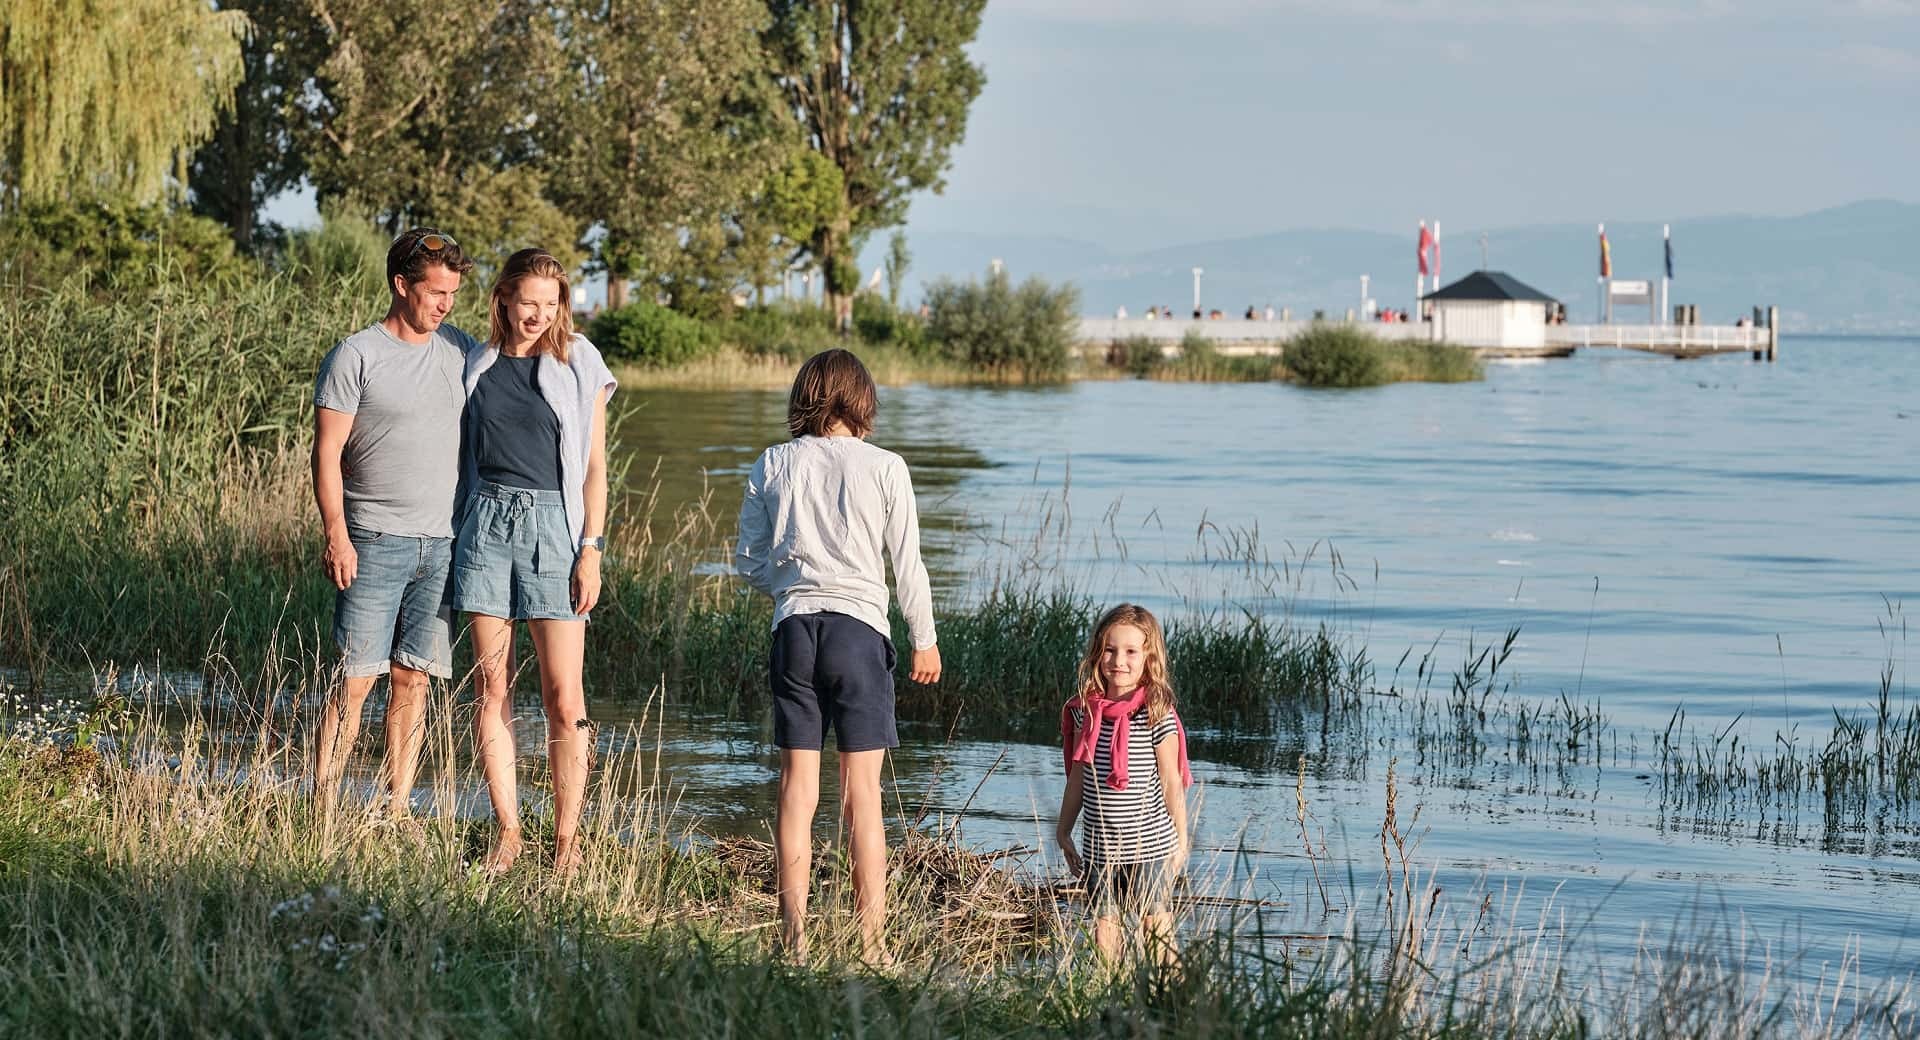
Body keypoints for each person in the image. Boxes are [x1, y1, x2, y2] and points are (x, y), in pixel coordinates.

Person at [734, 349, 942, 962]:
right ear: (864, 400)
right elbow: (907, 562)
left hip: (794, 631)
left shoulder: (773, 461)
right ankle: (871, 942)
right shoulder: (886, 467)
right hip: (859, 633)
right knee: (862, 794)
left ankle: (792, 936)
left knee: (798, 789)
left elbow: (747, 561)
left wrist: (793, 588)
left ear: (804, 396)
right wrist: (923, 637)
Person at [456, 248, 616, 877]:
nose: (538, 315)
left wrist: (591, 550)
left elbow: (596, 469)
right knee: (493, 688)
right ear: (502, 298)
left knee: (562, 695)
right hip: (486, 525)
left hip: (557, 527)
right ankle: (509, 832)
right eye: (528, 303)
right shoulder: (477, 364)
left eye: (550, 305)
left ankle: (568, 844)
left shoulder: (578, 360)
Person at [311, 228, 477, 821]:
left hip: (443, 544)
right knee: (354, 679)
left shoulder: (461, 350)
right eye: (435, 292)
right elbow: (326, 452)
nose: (445, 304)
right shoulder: (356, 354)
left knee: (414, 680)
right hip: (373, 540)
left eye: (452, 293)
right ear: (401, 285)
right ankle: (323, 806)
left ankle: (397, 807)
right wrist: (337, 532)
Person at [1056, 603, 1193, 965]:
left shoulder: (1155, 713)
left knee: (1155, 929)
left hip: (1150, 844)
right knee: (1105, 928)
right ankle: (1109, 1000)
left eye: (1131, 651)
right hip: (1101, 845)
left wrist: (1181, 842)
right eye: (1110, 650)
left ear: (1149, 658)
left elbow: (1171, 782)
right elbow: (1078, 779)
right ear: (1098, 654)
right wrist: (1063, 830)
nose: (1119, 660)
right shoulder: (1087, 712)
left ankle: (1174, 999)